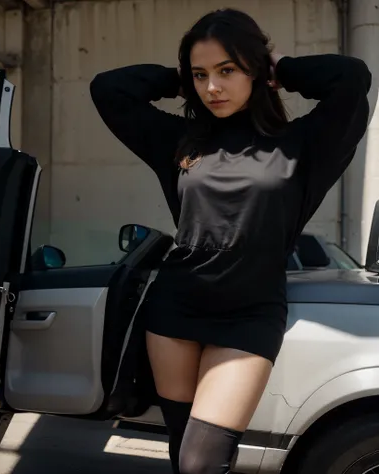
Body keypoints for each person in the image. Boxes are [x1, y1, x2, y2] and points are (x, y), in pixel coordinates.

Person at [90, 8, 371, 474]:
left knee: (203, 462)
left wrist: (281, 68)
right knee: (184, 457)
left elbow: (351, 78)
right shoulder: (178, 141)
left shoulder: (304, 144)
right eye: (201, 75)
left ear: (256, 72)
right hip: (175, 310)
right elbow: (108, 89)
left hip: (249, 315)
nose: (211, 87)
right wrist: (179, 79)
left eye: (227, 70)